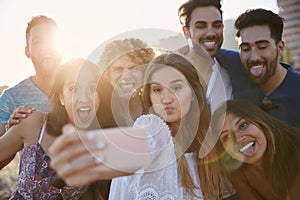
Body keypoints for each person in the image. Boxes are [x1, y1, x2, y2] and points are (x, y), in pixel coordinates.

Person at [49, 52, 238, 199]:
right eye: (157, 90)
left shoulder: (211, 137)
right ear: (148, 95)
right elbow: (140, 144)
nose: (166, 99)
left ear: (194, 91)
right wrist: (91, 148)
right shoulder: (153, 129)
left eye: (177, 87)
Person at [0, 58, 103, 199]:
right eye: (73, 88)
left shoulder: (100, 144)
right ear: (61, 96)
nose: (84, 98)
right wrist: (9, 128)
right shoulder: (34, 122)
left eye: (92, 88)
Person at [0, 15, 62, 196]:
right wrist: (13, 130)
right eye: (38, 41)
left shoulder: (80, 86)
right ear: (28, 51)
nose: (47, 47)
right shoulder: (12, 98)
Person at [210, 99, 300, 199]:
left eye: (243, 125)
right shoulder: (237, 172)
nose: (238, 139)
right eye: (226, 137)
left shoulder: (296, 150)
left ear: (260, 121)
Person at [177, 0, 251, 113]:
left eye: (216, 25)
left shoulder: (231, 75)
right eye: (201, 26)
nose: (211, 33)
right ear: (186, 32)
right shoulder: (170, 73)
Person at [234, 8, 300, 128]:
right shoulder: (237, 89)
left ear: (279, 48)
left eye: (262, 47)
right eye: (245, 49)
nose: (254, 57)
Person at [97, 38, 155, 127]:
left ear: (144, 72)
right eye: (118, 69)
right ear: (107, 75)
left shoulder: (156, 107)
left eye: (133, 68)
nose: (126, 76)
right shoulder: (99, 113)